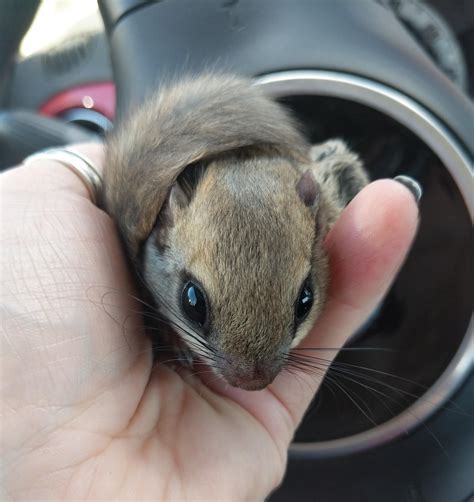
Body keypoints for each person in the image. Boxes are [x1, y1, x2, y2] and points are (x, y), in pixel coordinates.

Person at [0, 143, 419, 500]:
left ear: (316, 218)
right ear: (169, 220)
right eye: (196, 304)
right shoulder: (167, 214)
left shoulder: (312, 204)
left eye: (300, 303)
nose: (253, 378)